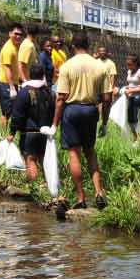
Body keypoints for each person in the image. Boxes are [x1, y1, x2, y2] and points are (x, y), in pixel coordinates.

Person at [51, 32, 111, 212]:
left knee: (73, 153)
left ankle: (80, 197)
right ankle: (99, 192)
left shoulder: (67, 66)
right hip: (91, 110)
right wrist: (105, 122)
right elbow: (107, 98)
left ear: (72, 46)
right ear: (89, 45)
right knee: (90, 152)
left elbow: (61, 98)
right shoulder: (100, 66)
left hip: (72, 110)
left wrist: (54, 123)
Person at [8, 64, 53, 183]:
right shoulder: (49, 92)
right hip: (45, 133)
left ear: (30, 75)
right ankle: (47, 186)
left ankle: (35, 189)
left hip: (29, 133)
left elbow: (17, 115)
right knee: (43, 158)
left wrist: (12, 132)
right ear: (42, 75)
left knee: (30, 159)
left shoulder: (24, 92)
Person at [0, 24, 24, 134]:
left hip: (12, 84)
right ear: (10, 34)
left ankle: (8, 135)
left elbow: (15, 67)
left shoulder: (15, 47)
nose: (18, 36)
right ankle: (2, 136)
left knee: (13, 112)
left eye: (20, 34)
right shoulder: (8, 49)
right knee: (6, 113)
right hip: (6, 85)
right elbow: (7, 68)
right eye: (15, 34)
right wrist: (12, 87)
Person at [122, 54, 140, 140]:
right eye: (127, 64)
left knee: (135, 119)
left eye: (130, 64)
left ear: (135, 63)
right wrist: (127, 87)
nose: (128, 66)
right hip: (130, 97)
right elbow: (131, 84)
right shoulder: (129, 71)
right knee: (130, 119)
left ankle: (139, 139)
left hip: (138, 98)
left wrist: (131, 90)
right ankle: (135, 137)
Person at [96, 47, 117, 137]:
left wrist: (112, 90)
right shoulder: (95, 62)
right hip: (96, 89)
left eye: (104, 51)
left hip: (106, 89)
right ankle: (94, 126)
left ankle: (104, 125)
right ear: (98, 52)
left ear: (107, 53)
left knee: (106, 108)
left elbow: (112, 77)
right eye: (100, 51)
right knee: (94, 108)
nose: (102, 53)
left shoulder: (111, 63)